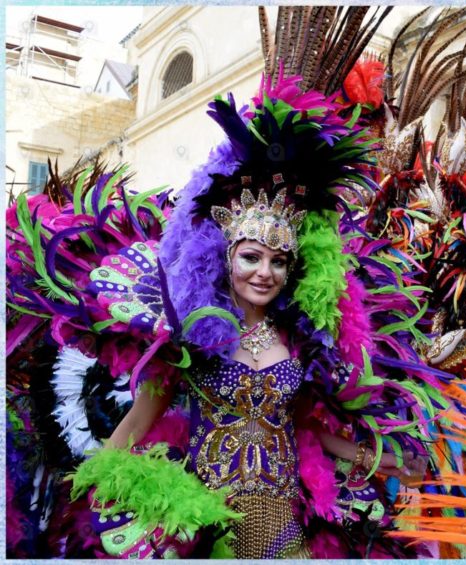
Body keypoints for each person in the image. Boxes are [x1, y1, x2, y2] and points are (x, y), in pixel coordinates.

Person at [105, 186, 426, 558]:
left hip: (281, 521)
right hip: (205, 521)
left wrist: (374, 458)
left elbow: (305, 427)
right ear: (226, 259)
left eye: (278, 261)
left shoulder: (300, 340)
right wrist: (104, 477)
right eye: (251, 257)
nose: (264, 273)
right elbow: (137, 422)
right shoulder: (191, 335)